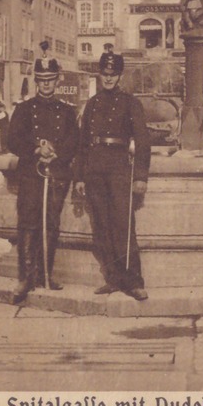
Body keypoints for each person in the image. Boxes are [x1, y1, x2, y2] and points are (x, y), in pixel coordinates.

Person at [74, 48, 151, 300]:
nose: (108, 78)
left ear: (120, 76)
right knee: (102, 226)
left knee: (123, 224)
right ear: (99, 74)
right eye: (104, 73)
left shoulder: (131, 103)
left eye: (113, 74)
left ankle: (134, 280)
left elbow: (142, 141)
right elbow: (82, 143)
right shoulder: (92, 104)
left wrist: (140, 176)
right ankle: (113, 279)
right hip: (95, 168)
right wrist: (80, 177)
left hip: (119, 167)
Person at [7, 44, 79, 304]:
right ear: (36, 80)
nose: (46, 84)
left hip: (56, 174)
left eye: (50, 79)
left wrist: (56, 150)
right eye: (41, 80)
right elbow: (12, 139)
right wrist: (37, 149)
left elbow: (75, 140)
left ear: (57, 80)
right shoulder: (24, 110)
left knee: (51, 224)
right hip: (31, 174)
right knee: (28, 222)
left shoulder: (67, 111)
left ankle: (46, 273)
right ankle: (26, 276)